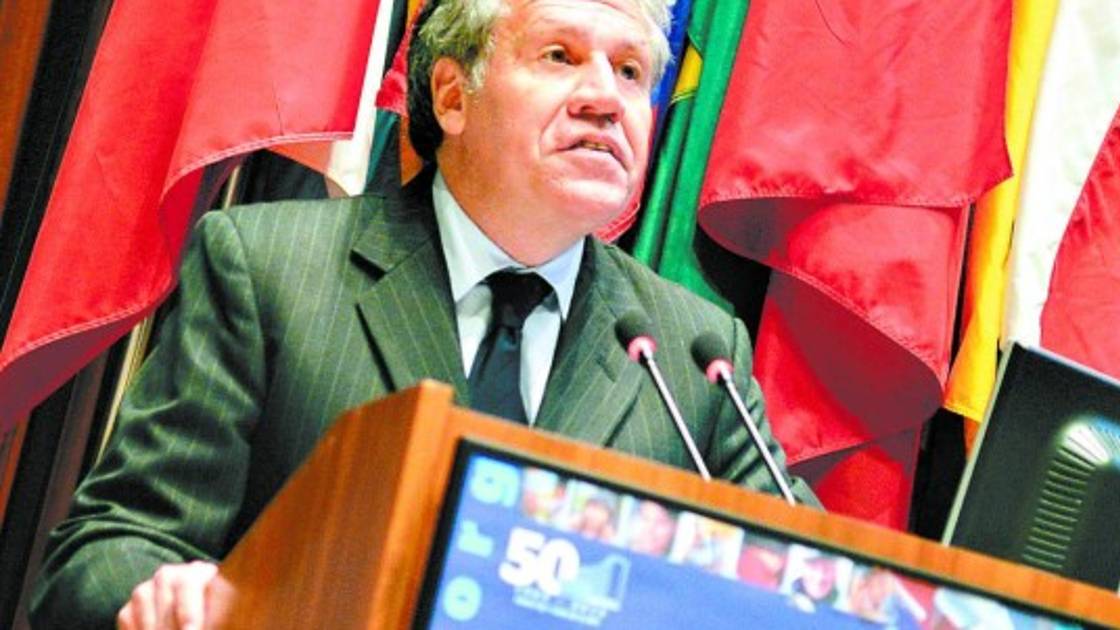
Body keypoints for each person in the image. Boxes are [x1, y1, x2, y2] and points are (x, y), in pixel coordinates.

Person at [31, 0, 819, 628]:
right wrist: (168, 595)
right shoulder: (270, 269)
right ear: (451, 95)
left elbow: (813, 584)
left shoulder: (690, 351)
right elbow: (104, 551)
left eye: (631, 71)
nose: (606, 101)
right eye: (560, 56)